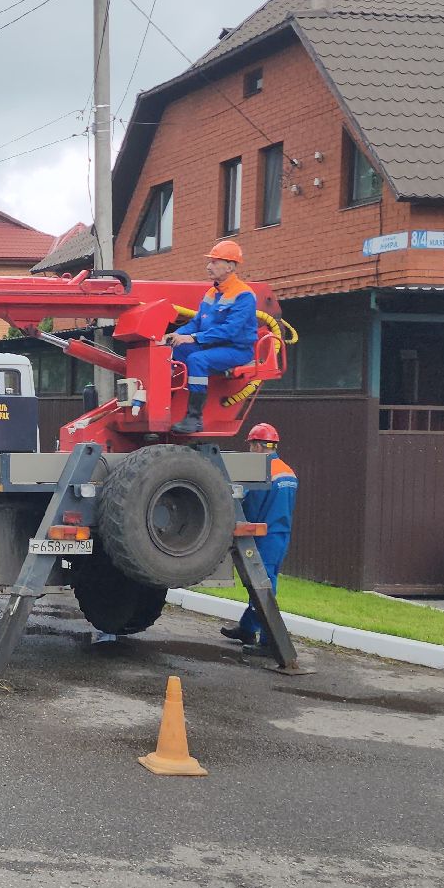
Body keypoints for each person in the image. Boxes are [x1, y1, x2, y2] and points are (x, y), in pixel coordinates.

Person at [161, 239, 258, 434]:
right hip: (212, 346)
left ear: (230, 266)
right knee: (172, 350)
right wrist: (174, 336)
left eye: (214, 262)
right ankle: (163, 402)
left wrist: (194, 338)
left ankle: (194, 418)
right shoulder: (211, 293)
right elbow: (196, 322)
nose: (208, 267)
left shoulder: (244, 295)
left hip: (237, 350)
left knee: (197, 360)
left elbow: (230, 331)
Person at [223, 422, 298, 649]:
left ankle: (268, 642)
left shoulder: (259, 474)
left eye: (250, 446)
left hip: (263, 535)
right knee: (264, 581)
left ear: (257, 446)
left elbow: (248, 506)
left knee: (263, 587)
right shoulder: (288, 472)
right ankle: (246, 629)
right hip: (280, 534)